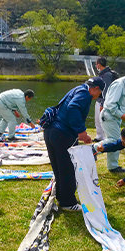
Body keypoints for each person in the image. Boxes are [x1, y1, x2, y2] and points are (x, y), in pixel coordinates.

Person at [44, 77, 105, 211]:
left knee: (59, 167)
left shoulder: (78, 89)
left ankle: (62, 196)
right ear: (95, 89)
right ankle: (67, 202)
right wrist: (82, 132)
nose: (97, 97)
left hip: (51, 132)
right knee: (68, 168)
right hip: (62, 134)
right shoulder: (84, 94)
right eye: (99, 93)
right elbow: (73, 108)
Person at [94, 57, 115, 142]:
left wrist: (103, 104)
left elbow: (106, 90)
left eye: (96, 64)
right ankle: (99, 136)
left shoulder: (107, 75)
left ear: (98, 64)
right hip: (99, 100)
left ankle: (106, 138)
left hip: (104, 101)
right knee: (97, 120)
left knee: (103, 120)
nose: (96, 66)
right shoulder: (103, 74)